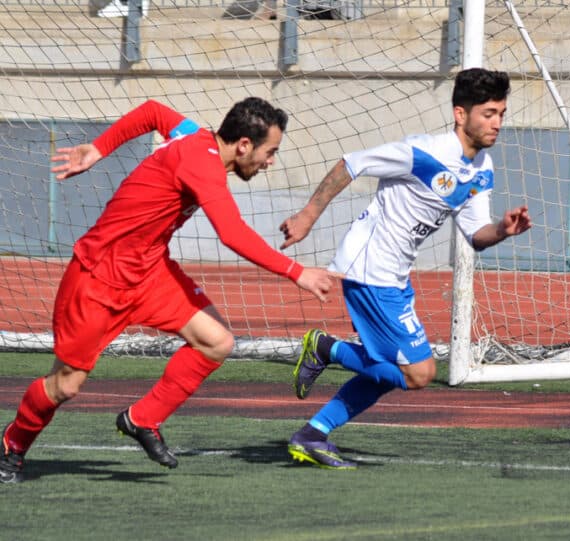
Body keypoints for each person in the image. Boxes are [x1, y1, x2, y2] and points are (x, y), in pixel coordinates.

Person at [0, 97, 338, 483]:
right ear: (244, 145)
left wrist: (99, 148)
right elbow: (232, 234)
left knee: (216, 342)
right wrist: (297, 272)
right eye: (270, 151)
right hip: (99, 277)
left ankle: (142, 419)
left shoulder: (192, 135)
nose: (270, 161)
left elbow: (153, 111)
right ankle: (12, 448)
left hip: (150, 273)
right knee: (66, 385)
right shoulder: (203, 165)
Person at [279, 68, 533, 469]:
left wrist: (503, 229)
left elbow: (475, 236)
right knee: (418, 373)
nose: (497, 123)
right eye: (488, 113)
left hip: (395, 277)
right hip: (368, 269)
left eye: (501, 112)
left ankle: (313, 434)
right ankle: (326, 348)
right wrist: (309, 215)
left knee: (391, 372)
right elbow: (352, 163)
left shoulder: (482, 169)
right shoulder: (423, 152)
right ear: (459, 114)